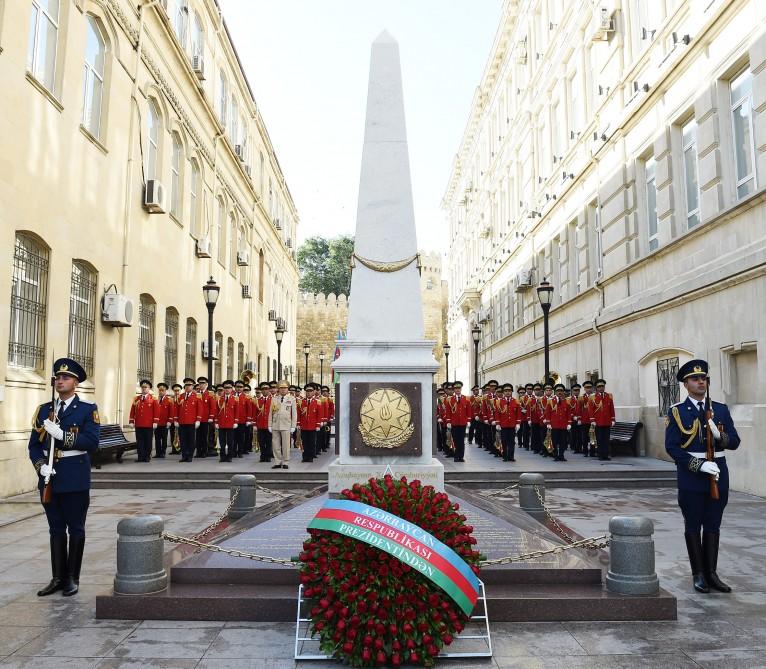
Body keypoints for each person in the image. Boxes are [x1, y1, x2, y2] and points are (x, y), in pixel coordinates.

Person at [665, 359, 740, 594]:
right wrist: (698, 465)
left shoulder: (720, 409)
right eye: (695, 379)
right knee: (693, 523)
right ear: (686, 384)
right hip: (692, 476)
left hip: (718, 473)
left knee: (713, 523)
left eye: (704, 378)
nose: (701, 382)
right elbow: (673, 447)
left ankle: (712, 573)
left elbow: (735, 442)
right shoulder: (677, 411)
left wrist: (721, 437)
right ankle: (698, 574)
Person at [29, 357, 100, 597]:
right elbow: (34, 446)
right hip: (50, 479)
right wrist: (41, 467)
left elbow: (91, 442)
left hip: (74, 476)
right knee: (55, 528)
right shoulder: (44, 410)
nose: (60, 381)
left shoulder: (87, 410)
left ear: (76, 382)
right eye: (58, 377)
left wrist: (62, 435)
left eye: (66, 377)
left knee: (75, 528)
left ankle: (72, 578)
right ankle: (57, 577)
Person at [268, 380, 297, 469]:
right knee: (275, 444)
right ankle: (277, 461)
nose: (283, 390)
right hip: (276, 423)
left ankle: (285, 462)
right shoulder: (274, 398)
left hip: (286, 424)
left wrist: (293, 426)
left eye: (285, 388)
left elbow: (294, 413)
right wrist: (269, 424)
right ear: (278, 389)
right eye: (281, 388)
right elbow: (270, 412)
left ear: (287, 389)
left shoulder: (292, 399)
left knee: (286, 445)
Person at [129, 379, 158, 462]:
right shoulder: (136, 398)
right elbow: (132, 410)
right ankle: (140, 457)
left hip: (148, 424)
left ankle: (147, 456)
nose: (144, 389)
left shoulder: (153, 399)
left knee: (148, 441)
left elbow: (156, 411)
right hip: (139, 424)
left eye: (146, 387)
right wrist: (131, 421)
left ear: (149, 388)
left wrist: (155, 422)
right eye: (142, 387)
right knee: (140, 441)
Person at [175, 378, 201, 462]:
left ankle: (190, 456)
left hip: (191, 422)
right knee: (183, 439)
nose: (187, 387)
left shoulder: (197, 396)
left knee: (191, 440)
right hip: (182, 422)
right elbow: (176, 408)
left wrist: (198, 420)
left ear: (193, 386)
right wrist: (176, 420)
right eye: (186, 385)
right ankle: (184, 456)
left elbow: (200, 409)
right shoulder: (181, 396)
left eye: (189, 385)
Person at [588, 379, 615, 460]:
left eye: (602, 386)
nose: (601, 388)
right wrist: (592, 420)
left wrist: (613, 419)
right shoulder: (593, 397)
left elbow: (611, 408)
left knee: (606, 439)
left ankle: (605, 455)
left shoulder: (609, 396)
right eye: (599, 387)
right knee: (599, 439)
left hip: (607, 421)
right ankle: (600, 454)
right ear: (596, 388)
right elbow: (591, 409)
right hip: (598, 421)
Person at [444, 380, 471, 462]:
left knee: (461, 440)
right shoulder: (449, 400)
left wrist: (468, 420)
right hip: (454, 423)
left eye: (459, 388)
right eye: (456, 388)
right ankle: (456, 456)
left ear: (461, 389)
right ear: (453, 390)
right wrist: (448, 421)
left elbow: (468, 411)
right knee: (455, 440)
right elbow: (448, 411)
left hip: (462, 422)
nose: (457, 390)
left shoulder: (466, 398)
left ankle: (461, 456)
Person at [545, 384, 573, 461]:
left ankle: (561, 455)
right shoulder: (551, 401)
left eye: (561, 391)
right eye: (558, 391)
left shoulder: (567, 401)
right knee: (554, 441)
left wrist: (569, 423)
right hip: (554, 425)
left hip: (563, 425)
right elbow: (548, 413)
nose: (559, 392)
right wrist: (548, 423)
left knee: (563, 441)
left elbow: (568, 413)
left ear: (563, 392)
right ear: (555, 392)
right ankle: (555, 455)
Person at [215, 380, 241, 462]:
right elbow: (216, 411)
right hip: (221, 423)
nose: (227, 389)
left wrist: (236, 422)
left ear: (232, 389)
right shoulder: (219, 399)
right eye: (225, 388)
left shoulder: (235, 399)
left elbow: (237, 411)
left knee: (230, 441)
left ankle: (230, 456)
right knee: (222, 442)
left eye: (229, 388)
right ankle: (222, 457)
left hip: (230, 423)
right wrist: (216, 422)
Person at [495, 384, 521, 462]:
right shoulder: (499, 402)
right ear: (503, 392)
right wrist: (498, 423)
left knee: (512, 442)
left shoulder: (516, 401)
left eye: (509, 391)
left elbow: (518, 413)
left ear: (512, 392)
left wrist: (518, 423)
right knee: (504, 441)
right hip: (503, 424)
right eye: (506, 391)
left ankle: (511, 456)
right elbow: (497, 413)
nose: (507, 393)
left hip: (512, 425)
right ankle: (505, 456)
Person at [299, 383, 321, 463]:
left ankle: (310, 456)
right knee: (304, 442)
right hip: (304, 426)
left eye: (310, 391)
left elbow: (319, 414)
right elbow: (299, 414)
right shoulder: (301, 401)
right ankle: (305, 457)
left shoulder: (317, 402)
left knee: (312, 442)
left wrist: (318, 424)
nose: (308, 392)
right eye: (307, 391)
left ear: (313, 392)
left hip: (312, 426)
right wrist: (298, 424)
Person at [154, 382, 173, 458]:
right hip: (157, 423)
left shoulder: (169, 400)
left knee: (164, 439)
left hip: (165, 423)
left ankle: (163, 452)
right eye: (160, 390)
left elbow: (171, 412)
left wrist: (169, 421)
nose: (161, 392)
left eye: (163, 390)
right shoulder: (155, 400)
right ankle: (158, 453)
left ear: (165, 391)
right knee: (157, 439)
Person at [255, 382, 273, 462]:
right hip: (260, 425)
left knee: (269, 442)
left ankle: (268, 456)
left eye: (266, 389)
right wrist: (254, 424)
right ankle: (262, 456)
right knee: (261, 441)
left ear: (269, 390)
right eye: (263, 389)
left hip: (269, 425)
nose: (265, 391)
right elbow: (254, 413)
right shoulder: (257, 401)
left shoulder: (274, 400)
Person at [169, 383, 182, 454]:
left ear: (180, 391)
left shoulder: (182, 398)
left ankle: (180, 449)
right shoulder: (171, 399)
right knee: (172, 434)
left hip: (180, 420)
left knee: (180, 435)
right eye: (175, 391)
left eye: (178, 390)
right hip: (172, 420)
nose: (176, 392)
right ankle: (174, 449)